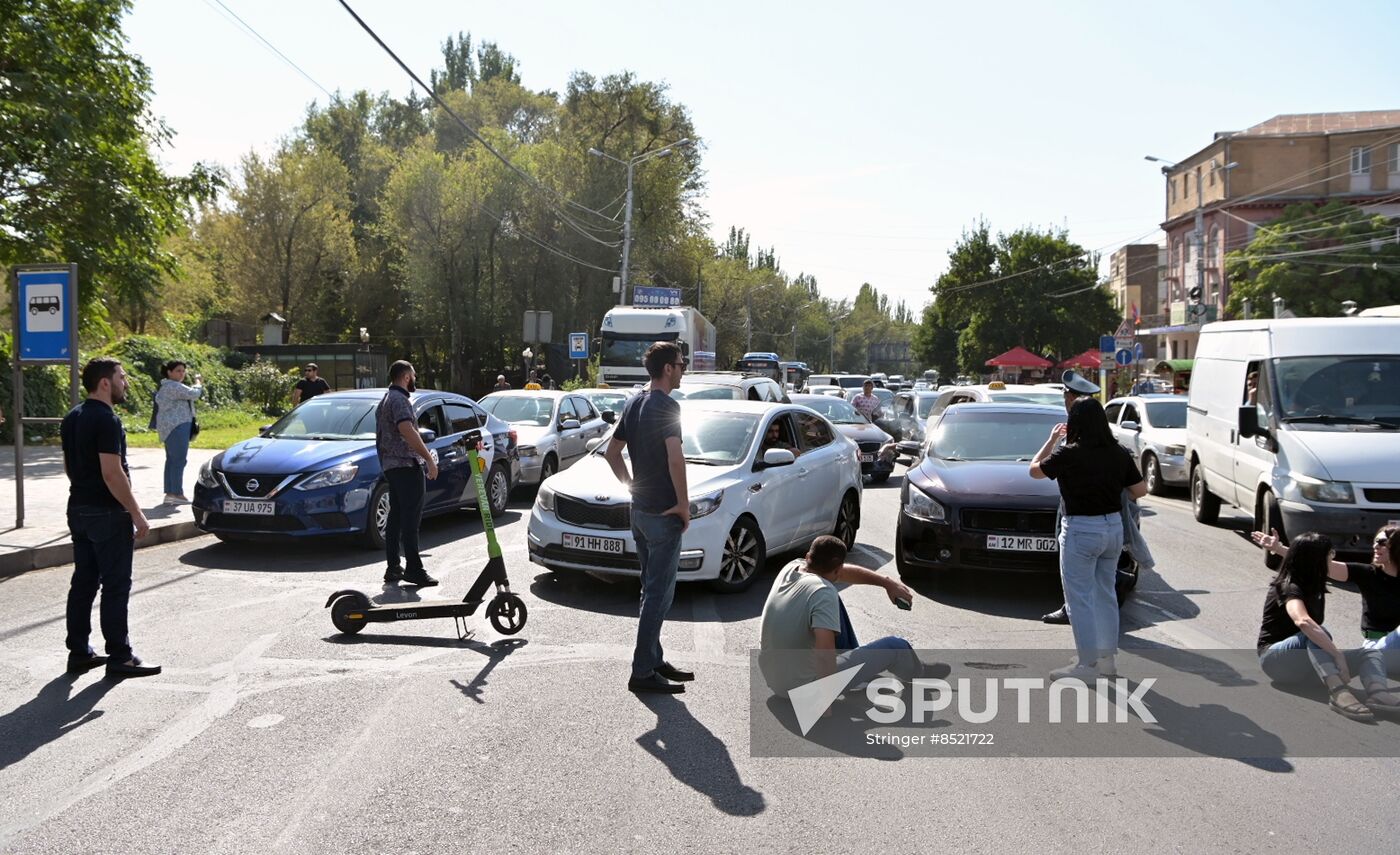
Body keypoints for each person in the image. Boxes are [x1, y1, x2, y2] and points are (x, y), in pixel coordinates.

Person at [1030, 396, 1147, 681]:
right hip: (1113, 529)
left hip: (1081, 530)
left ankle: (1087, 665)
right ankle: (1107, 661)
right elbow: (1140, 490)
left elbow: (1034, 470)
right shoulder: (1118, 452)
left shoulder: (1069, 453)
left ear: (1074, 423)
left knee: (1079, 599)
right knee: (1106, 594)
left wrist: (1050, 441)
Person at [61, 357, 160, 679]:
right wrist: (137, 514)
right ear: (105, 382)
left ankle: (79, 653)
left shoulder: (72, 417)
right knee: (115, 586)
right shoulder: (107, 420)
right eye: (122, 376)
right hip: (106, 513)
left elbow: (69, 467)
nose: (126, 382)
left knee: (83, 583)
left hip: (78, 509)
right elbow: (112, 473)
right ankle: (121, 656)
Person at [604, 341, 692, 694]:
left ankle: (654, 658)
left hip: (639, 511)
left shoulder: (634, 402)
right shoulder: (667, 405)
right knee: (659, 594)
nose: (683, 369)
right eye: (681, 364)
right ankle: (642, 672)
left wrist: (632, 487)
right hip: (663, 513)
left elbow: (612, 453)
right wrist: (684, 505)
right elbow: (675, 459)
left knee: (649, 589)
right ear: (668, 368)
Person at [1252, 524, 1400, 711]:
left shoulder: (1315, 587)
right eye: (1329, 554)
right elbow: (1303, 622)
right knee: (1318, 632)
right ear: (1316, 560)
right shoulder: (1288, 586)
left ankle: (1378, 695)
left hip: (1306, 670)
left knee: (1370, 653)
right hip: (1275, 661)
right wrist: (1337, 655)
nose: (1332, 559)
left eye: (1382, 542)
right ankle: (1338, 692)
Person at [759, 535, 921, 702]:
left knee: (832, 600)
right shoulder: (823, 592)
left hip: (775, 680)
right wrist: (824, 708)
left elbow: (841, 573)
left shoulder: (791, 568)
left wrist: (886, 583)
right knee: (895, 646)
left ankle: (858, 674)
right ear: (837, 568)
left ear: (808, 557)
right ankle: (919, 673)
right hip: (804, 688)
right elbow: (824, 655)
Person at [1041, 369, 1101, 625]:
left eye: (1067, 395)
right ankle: (1076, 608)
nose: (1064, 399)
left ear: (1073, 399)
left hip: (1081, 518)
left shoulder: (1077, 436)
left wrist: (1051, 442)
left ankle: (1077, 613)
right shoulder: (1095, 432)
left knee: (1077, 573)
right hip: (1097, 518)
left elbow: (1038, 469)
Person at [375, 360, 440, 587]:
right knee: (411, 519)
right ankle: (414, 569)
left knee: (396, 518)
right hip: (405, 465)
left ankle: (393, 567)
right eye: (413, 375)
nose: (415, 379)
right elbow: (406, 429)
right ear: (405, 377)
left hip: (391, 466)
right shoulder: (400, 400)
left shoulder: (385, 399)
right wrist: (429, 459)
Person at [155, 360, 203, 505]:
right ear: (169, 372)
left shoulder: (167, 386)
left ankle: (171, 493)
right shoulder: (173, 386)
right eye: (178, 371)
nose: (181, 373)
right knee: (178, 460)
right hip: (177, 426)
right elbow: (194, 394)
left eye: (183, 371)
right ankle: (176, 493)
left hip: (171, 427)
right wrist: (199, 383)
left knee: (172, 460)